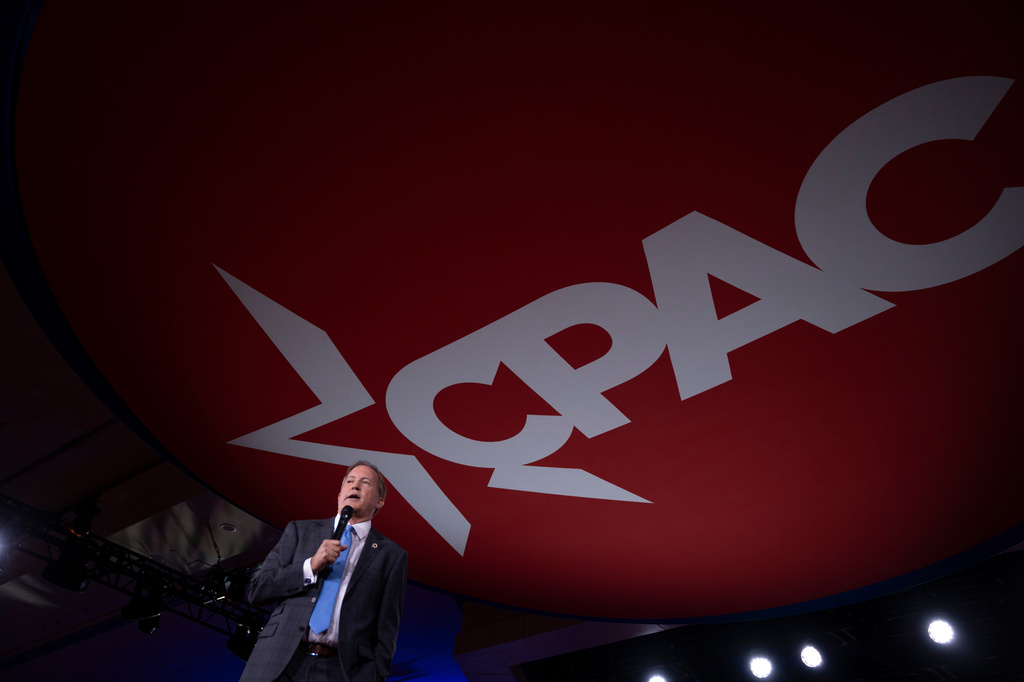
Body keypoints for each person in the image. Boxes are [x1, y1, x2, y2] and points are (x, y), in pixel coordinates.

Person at [239, 461, 408, 682]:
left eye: (365, 483)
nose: (355, 486)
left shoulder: (391, 556)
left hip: (340, 671)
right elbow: (258, 590)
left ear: (379, 501)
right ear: (339, 495)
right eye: (350, 481)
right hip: (279, 661)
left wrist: (374, 676)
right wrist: (309, 566)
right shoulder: (300, 530)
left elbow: (387, 630)